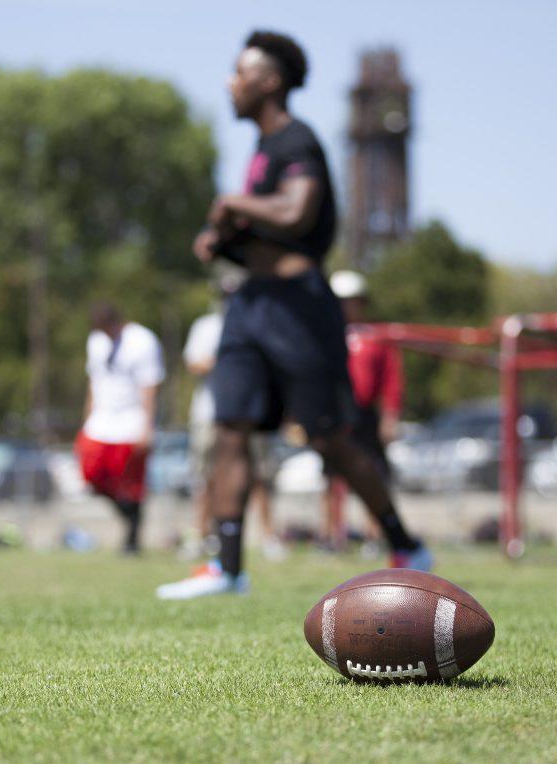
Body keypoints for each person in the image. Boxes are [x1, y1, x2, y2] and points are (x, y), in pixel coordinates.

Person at [157, 31, 430, 600]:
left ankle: (406, 543)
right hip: (248, 305)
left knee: (329, 437)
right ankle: (228, 567)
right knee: (230, 427)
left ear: (270, 81)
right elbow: (263, 222)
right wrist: (222, 238)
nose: (230, 83)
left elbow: (297, 211)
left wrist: (234, 206)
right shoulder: (260, 151)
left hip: (298, 308)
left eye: (240, 72)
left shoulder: (296, 140)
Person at [181, 270, 286, 562]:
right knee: (207, 477)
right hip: (210, 413)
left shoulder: (260, 323)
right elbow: (195, 363)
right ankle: (199, 536)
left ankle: (268, 536)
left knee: (259, 478)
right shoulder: (206, 326)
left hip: (252, 413)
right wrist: (233, 365)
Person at [323, 270, 404, 551]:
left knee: (372, 473)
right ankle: (334, 535)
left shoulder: (376, 338)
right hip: (333, 414)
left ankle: (374, 534)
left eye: (352, 300)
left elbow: (392, 380)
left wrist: (390, 416)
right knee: (331, 477)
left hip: (364, 415)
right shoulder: (323, 337)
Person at [77, 303, 165, 554]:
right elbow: (93, 382)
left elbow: (149, 385)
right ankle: (128, 516)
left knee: (131, 484)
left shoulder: (142, 341)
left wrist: (147, 426)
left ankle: (132, 536)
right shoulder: (95, 342)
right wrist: (87, 418)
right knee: (91, 474)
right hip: (102, 421)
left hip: (131, 421)